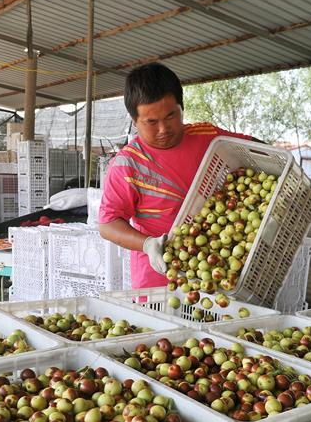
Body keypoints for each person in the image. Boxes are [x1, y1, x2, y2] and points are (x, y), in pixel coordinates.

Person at [98, 62, 254, 289]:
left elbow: (254, 149)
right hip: (161, 280)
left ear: (181, 107)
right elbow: (107, 224)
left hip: (220, 274)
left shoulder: (207, 136)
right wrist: (148, 244)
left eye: (171, 116)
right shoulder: (127, 164)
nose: (163, 129)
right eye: (151, 122)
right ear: (134, 121)